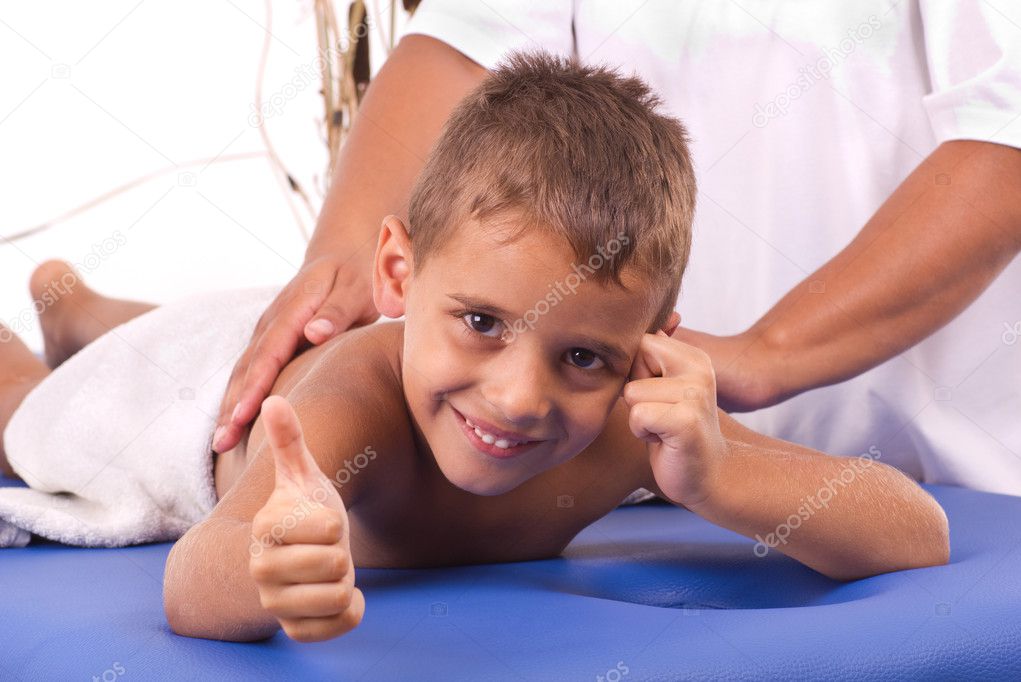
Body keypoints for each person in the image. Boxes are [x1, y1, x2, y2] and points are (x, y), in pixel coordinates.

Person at [0, 55, 947, 643]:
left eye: (582, 357)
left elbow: (915, 531)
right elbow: (198, 572)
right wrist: (265, 573)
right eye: (484, 324)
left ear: (654, 346)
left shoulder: (638, 430)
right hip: (186, 397)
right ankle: (56, 315)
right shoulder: (356, 410)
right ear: (396, 276)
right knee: (32, 421)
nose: (517, 398)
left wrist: (716, 479)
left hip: (248, 335)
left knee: (160, 326)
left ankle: (77, 304)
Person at [212, 2, 1021, 496]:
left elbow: (1007, 133)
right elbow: (465, 42)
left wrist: (765, 354)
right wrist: (345, 259)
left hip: (929, 461)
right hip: (623, 438)